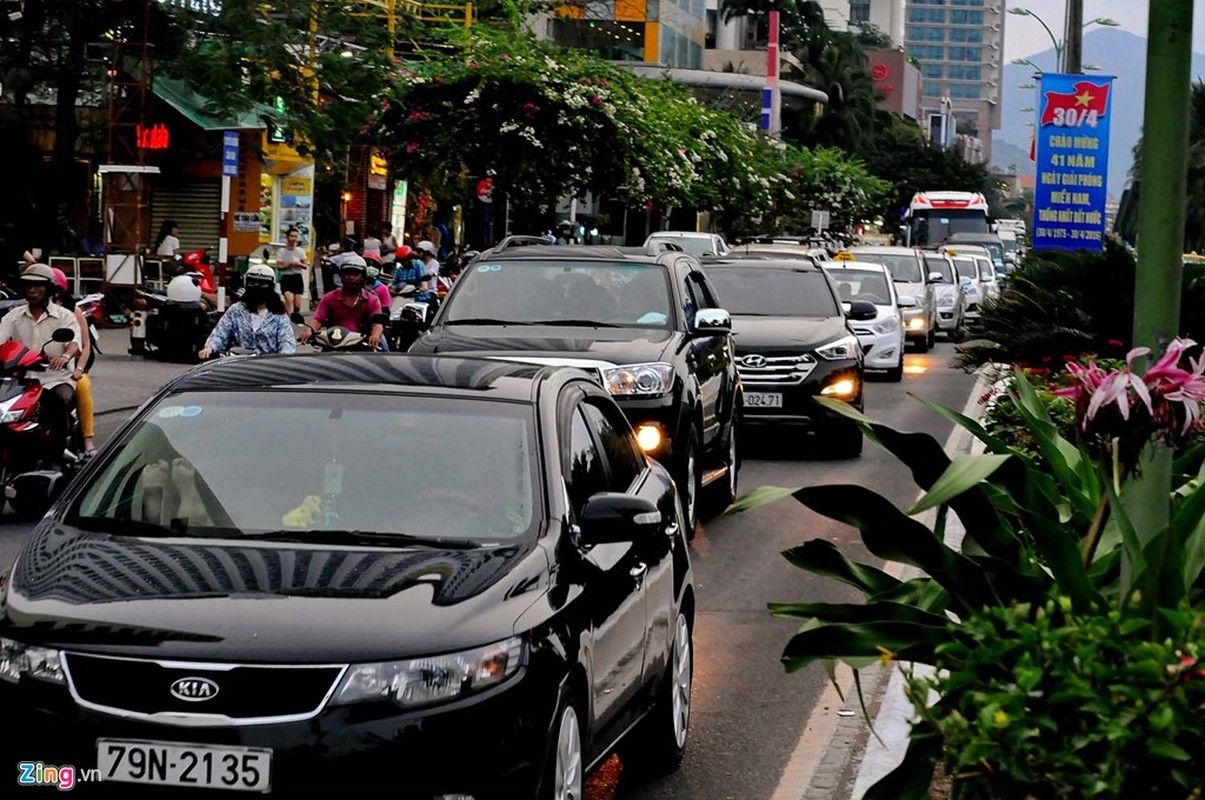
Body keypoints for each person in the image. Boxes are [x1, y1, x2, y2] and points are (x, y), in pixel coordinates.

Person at [0, 264, 82, 460]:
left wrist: (64, 357)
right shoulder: (14, 316)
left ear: (49, 289)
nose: (31, 290)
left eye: (37, 286)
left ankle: (56, 455)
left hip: (54, 379)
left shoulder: (64, 316)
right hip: (21, 381)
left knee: (59, 400)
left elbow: (75, 343)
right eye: (28, 286)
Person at [198, 264, 297, 359]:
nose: (257, 287)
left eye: (263, 284)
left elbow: (287, 342)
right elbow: (220, 333)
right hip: (238, 365)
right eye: (252, 283)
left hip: (268, 368)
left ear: (271, 286)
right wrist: (210, 348)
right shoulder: (236, 310)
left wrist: (283, 358)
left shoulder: (278, 315)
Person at [50, 267, 98, 458]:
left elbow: (84, 345)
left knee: (83, 386)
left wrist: (78, 369)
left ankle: (88, 441)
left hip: (70, 368)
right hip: (43, 368)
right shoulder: (33, 311)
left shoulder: (73, 311)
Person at [298, 255, 385, 348]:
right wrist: (309, 331)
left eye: (356, 274)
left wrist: (375, 335)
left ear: (363, 277)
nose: (351, 278)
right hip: (333, 344)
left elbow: (377, 324)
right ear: (341, 276)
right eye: (348, 274)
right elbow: (318, 319)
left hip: (362, 346)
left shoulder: (372, 300)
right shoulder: (329, 298)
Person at [276, 227, 309, 317]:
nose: (294, 238)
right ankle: (288, 317)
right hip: (286, 276)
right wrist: (289, 265)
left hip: (297, 276)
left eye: (295, 236)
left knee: (297, 303)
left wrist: (299, 264)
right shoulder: (281, 251)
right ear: (287, 237)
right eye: (292, 236)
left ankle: (296, 313)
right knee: (288, 299)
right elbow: (279, 266)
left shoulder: (300, 251)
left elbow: (305, 265)